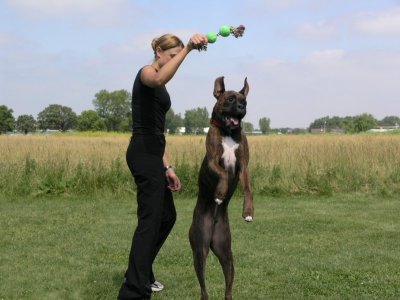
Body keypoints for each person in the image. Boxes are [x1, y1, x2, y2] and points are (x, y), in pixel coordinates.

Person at [118, 33, 208, 300]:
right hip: (142, 154)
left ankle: (141, 271)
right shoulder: (147, 73)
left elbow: (156, 129)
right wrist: (189, 49)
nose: (173, 61)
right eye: (170, 56)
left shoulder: (160, 83)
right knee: (150, 221)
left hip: (154, 153)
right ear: (158, 51)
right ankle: (133, 291)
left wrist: (167, 167)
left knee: (166, 216)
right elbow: (158, 77)